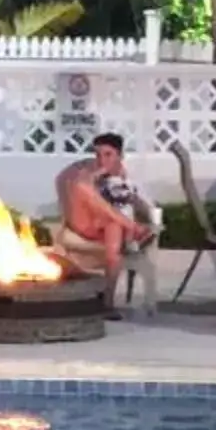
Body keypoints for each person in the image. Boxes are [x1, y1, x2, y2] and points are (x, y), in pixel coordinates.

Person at [56, 132, 157, 316]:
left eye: (108, 154)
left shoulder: (129, 179)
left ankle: (107, 302)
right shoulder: (87, 174)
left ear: (120, 156)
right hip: (86, 224)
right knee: (84, 189)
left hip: (115, 231)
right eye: (98, 155)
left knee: (114, 227)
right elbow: (76, 188)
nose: (102, 160)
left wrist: (133, 199)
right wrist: (95, 178)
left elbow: (148, 206)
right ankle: (133, 228)